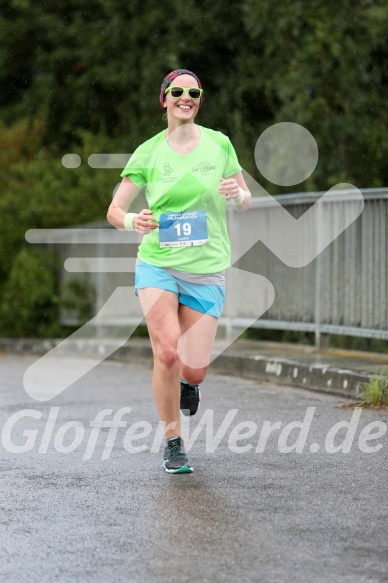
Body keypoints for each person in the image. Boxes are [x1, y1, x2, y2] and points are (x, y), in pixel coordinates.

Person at [107, 69, 251, 473]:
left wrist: (238, 194)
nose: (186, 97)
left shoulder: (219, 144)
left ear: (199, 100)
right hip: (158, 264)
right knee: (167, 351)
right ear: (164, 99)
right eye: (178, 91)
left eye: (194, 92)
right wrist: (132, 220)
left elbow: (245, 200)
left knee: (194, 367)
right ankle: (174, 443)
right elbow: (114, 210)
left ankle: (190, 384)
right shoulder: (149, 152)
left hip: (207, 268)